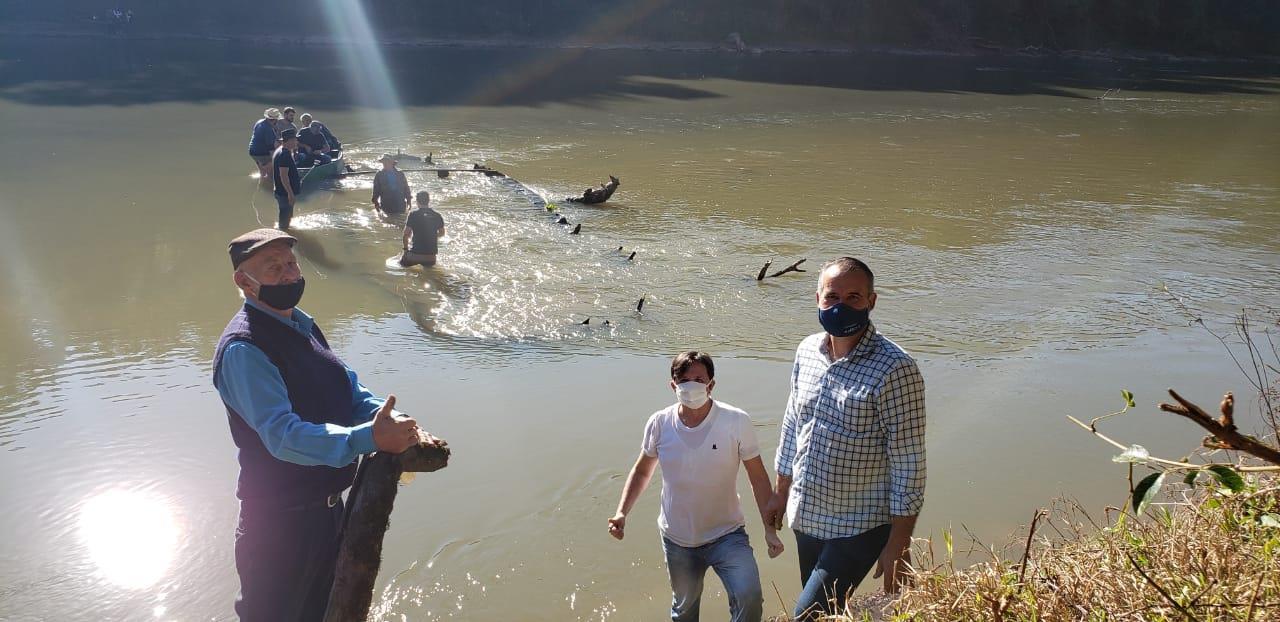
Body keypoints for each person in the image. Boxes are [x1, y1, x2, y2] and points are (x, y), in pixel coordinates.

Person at [212, 228, 430, 621]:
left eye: (291, 263)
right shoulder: (244, 349)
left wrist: (389, 417)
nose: (289, 274)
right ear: (244, 281)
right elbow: (283, 436)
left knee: (328, 610)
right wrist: (368, 437)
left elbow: (347, 390)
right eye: (273, 267)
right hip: (278, 526)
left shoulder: (302, 325)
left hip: (328, 513)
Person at [764, 257, 926, 620]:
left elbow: (909, 460)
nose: (841, 306)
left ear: (872, 301)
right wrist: (780, 489)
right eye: (832, 296)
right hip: (807, 515)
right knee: (829, 614)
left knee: (808, 616)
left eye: (853, 297)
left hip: (861, 523)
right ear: (817, 298)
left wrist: (899, 542)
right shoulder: (807, 351)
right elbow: (793, 424)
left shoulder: (896, 368)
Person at [610, 351, 784, 622]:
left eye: (699, 379)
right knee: (684, 610)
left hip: (727, 533)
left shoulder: (736, 421)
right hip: (678, 538)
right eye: (684, 380)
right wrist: (622, 512)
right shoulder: (659, 423)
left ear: (711, 384)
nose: (691, 386)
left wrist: (769, 530)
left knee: (749, 597)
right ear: (673, 385)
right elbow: (643, 470)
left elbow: (758, 478)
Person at [400, 191, 445, 268]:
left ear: (417, 201)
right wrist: (430, 236)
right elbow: (442, 233)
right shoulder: (437, 215)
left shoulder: (413, 215)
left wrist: (405, 250)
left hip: (415, 256)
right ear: (428, 201)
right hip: (431, 258)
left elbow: (406, 235)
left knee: (400, 265)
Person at [272, 129, 302, 230]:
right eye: (294, 140)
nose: (296, 142)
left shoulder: (281, 150)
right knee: (284, 221)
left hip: (281, 191)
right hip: (284, 193)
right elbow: (283, 176)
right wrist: (290, 194)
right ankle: (283, 237)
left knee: (286, 217)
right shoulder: (284, 155)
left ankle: (285, 233)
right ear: (288, 141)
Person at [249, 108, 281, 178]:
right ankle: (268, 185)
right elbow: (271, 148)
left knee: (263, 174)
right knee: (271, 174)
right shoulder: (268, 129)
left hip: (252, 151)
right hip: (262, 153)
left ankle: (260, 186)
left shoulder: (259, 122)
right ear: (275, 120)